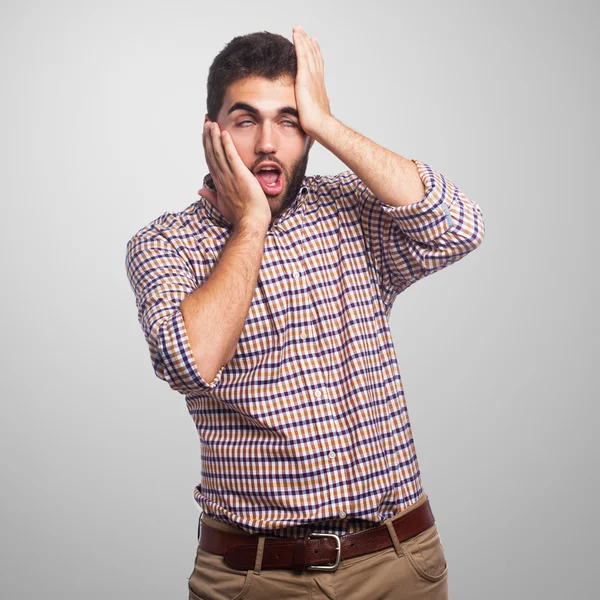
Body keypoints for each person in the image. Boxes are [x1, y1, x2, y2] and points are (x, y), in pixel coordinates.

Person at [125, 25, 485, 600]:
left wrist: (327, 123)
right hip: (255, 576)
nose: (269, 143)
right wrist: (250, 224)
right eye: (246, 121)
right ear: (212, 132)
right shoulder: (165, 244)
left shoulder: (348, 207)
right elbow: (190, 363)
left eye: (289, 121)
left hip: (399, 564)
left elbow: (459, 229)